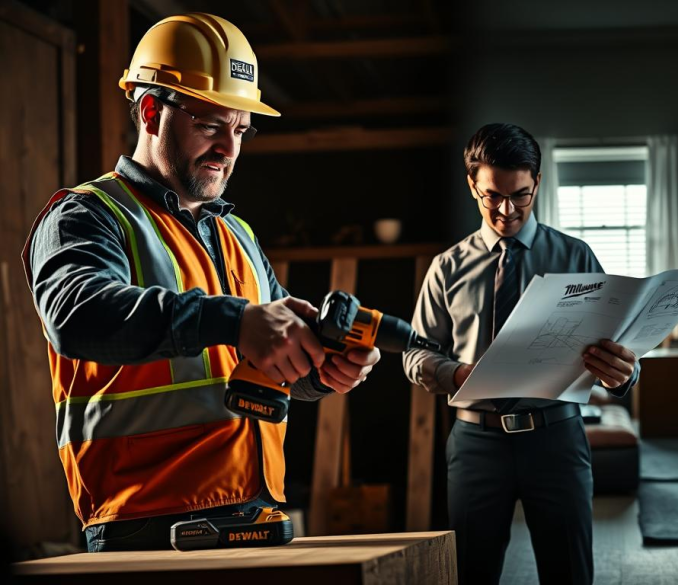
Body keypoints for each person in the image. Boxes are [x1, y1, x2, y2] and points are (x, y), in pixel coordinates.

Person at [21, 13, 380, 552]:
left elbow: (270, 360)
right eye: (211, 125)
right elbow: (77, 316)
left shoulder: (235, 231)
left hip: (255, 512)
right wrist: (235, 320)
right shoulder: (87, 216)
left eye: (240, 130)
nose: (229, 149)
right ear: (149, 111)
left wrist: (320, 370)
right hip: (146, 529)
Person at [403, 123, 639, 584]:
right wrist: (458, 374)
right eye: (492, 196)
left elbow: (618, 347)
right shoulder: (446, 267)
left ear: (537, 182)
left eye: (521, 195)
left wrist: (623, 373)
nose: (507, 210)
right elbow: (415, 355)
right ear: (472, 185)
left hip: (557, 439)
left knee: (569, 572)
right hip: (476, 444)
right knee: (472, 571)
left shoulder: (576, 257)